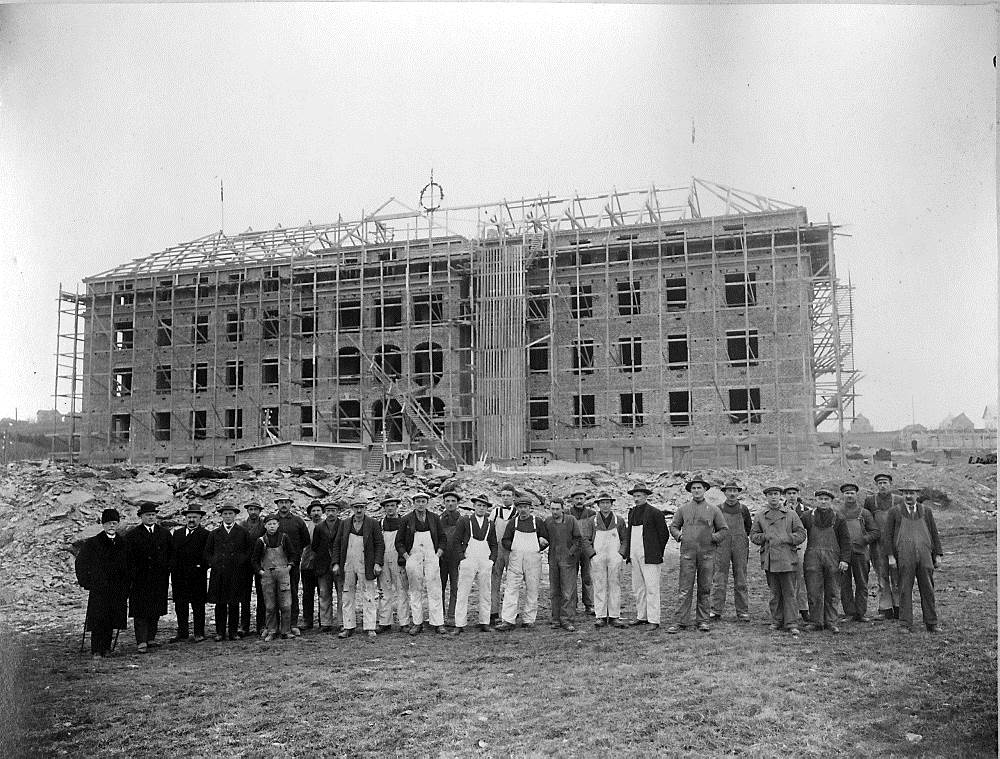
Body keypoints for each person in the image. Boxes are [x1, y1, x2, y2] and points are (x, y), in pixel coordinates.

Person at [667, 475, 728, 634]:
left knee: (705, 588)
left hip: (707, 554)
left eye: (699, 488)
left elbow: (723, 530)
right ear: (690, 491)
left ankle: (703, 620)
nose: (696, 491)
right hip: (687, 554)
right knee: (685, 588)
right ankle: (681, 621)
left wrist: (712, 538)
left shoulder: (714, 510)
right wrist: (680, 536)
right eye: (693, 488)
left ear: (705, 490)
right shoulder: (683, 509)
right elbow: (673, 526)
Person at [885, 481, 943, 633]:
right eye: (905, 493)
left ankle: (932, 622)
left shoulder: (926, 511)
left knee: (928, 589)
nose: (908, 496)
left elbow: (934, 533)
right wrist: (891, 556)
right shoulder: (894, 511)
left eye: (912, 493)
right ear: (902, 494)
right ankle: (905, 624)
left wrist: (937, 554)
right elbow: (887, 536)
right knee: (904, 589)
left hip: (925, 555)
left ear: (917, 494)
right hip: (904, 556)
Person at [750, 485, 807, 637]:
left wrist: (788, 538)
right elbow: (753, 535)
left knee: (789, 591)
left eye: (776, 494)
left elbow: (801, 534)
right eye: (770, 495)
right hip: (770, 559)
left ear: (780, 496)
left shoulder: (791, 514)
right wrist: (765, 537)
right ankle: (776, 620)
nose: (773, 497)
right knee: (774, 592)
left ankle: (791, 622)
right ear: (766, 497)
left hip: (788, 558)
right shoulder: (761, 515)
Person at [75, 508, 129, 658]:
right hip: (100, 588)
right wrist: (87, 582)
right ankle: (96, 649)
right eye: (108, 523)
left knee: (112, 618)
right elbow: (81, 563)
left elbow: (130, 564)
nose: (112, 526)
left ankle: (106, 648)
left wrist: (127, 583)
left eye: (114, 523)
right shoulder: (93, 542)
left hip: (117, 588)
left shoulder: (123, 542)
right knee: (99, 618)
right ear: (103, 524)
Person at [396, 491, 448, 635]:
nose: (420, 504)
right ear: (414, 503)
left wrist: (438, 554)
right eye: (418, 501)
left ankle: (438, 623)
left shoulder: (434, 518)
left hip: (432, 555)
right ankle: (417, 623)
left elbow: (443, 538)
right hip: (414, 556)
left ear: (427, 503)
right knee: (415, 589)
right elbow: (399, 542)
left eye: (423, 501)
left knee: (435, 588)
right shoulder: (406, 519)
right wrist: (407, 557)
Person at [332, 500, 385, 640]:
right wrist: (336, 563)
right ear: (352, 508)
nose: (359, 511)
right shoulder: (345, 524)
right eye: (356, 508)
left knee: (368, 594)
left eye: (361, 508)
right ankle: (348, 626)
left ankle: (370, 627)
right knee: (347, 595)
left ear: (365, 508)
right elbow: (337, 544)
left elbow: (380, 544)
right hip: (348, 563)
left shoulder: (372, 523)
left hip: (365, 563)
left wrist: (378, 563)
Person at [125, 502, 174, 653]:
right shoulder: (132, 535)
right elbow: (128, 559)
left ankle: (151, 638)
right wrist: (132, 575)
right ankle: (141, 641)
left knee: (155, 609)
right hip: (140, 579)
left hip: (159, 578)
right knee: (140, 611)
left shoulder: (164, 533)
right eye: (147, 515)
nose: (151, 517)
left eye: (153, 515)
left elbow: (171, 554)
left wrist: (167, 569)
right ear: (141, 517)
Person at [495, 496, 550, 631]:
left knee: (532, 588)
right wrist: (514, 546)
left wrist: (539, 546)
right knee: (511, 588)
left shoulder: (537, 522)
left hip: (533, 560)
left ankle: (529, 619)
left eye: (525, 507)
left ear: (530, 508)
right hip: (516, 559)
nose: (523, 510)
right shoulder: (512, 523)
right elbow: (505, 540)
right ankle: (508, 620)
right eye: (520, 507)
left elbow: (546, 539)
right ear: (517, 508)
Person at [800, 489, 851, 633]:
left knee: (833, 591)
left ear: (831, 501)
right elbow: (797, 531)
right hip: (812, 558)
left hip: (833, 559)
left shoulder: (838, 518)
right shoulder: (807, 516)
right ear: (816, 500)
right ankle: (816, 621)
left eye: (826, 499)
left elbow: (846, 541)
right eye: (820, 499)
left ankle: (831, 621)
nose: (823, 502)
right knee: (813, 590)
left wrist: (845, 560)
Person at [622, 481, 670, 630]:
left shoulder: (655, 513)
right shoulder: (632, 512)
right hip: (635, 555)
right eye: (635, 496)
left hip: (650, 556)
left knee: (652, 587)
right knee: (638, 588)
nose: (636, 499)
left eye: (639, 496)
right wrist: (629, 554)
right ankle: (641, 616)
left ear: (646, 496)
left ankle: (654, 619)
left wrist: (656, 552)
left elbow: (664, 534)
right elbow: (630, 534)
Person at [451, 492, 498, 634]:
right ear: (474, 506)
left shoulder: (490, 523)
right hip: (468, 558)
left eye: (484, 506)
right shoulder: (465, 521)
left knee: (485, 591)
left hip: (484, 559)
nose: (481, 508)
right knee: (463, 591)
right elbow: (456, 541)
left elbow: (494, 544)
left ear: (487, 508)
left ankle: (484, 622)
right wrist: (461, 558)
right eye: (479, 505)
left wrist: (492, 560)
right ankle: (459, 624)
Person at [205, 503, 252, 642]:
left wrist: (240, 561)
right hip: (219, 573)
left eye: (230, 514)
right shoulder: (214, 533)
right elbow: (207, 552)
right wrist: (215, 562)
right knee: (220, 604)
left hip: (236, 573)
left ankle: (233, 632)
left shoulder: (242, 532)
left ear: (235, 515)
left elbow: (249, 551)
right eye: (225, 514)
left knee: (234, 603)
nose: (228, 516)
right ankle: (220, 632)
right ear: (221, 516)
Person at [709, 480, 753, 623]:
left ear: (738, 492)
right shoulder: (718, 509)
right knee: (719, 577)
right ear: (725, 492)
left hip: (740, 545)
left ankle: (742, 611)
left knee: (741, 578)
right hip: (722, 545)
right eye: (729, 490)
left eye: (735, 491)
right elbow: (713, 529)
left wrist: (740, 540)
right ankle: (715, 610)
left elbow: (748, 528)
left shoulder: (744, 509)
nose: (732, 493)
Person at [837, 482, 880, 622]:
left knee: (862, 583)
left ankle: (861, 613)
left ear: (856, 495)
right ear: (843, 495)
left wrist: (863, 539)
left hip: (861, 554)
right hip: (843, 555)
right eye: (847, 493)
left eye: (852, 493)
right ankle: (849, 612)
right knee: (845, 584)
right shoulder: (837, 513)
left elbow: (875, 532)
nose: (849, 495)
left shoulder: (864, 513)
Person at [251, 513, 297, 641]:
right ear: (265, 526)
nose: (272, 526)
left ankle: (286, 631)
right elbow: (254, 560)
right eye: (269, 524)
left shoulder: (284, 538)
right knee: (270, 605)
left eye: (274, 524)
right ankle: (272, 630)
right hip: (267, 576)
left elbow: (293, 555)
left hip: (283, 574)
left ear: (278, 525)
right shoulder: (261, 541)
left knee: (286, 604)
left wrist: (289, 567)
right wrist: (261, 572)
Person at [544, 497, 587, 632]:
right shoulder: (548, 522)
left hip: (568, 561)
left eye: (557, 509)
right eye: (552, 509)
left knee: (568, 592)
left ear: (563, 509)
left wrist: (571, 553)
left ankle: (567, 619)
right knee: (554, 591)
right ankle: (556, 618)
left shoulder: (571, 520)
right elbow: (544, 538)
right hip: (553, 560)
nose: (555, 512)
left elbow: (578, 539)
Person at [865, 473, 904, 621]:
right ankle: (885, 608)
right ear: (876, 485)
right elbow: (867, 523)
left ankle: (899, 607)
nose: (882, 485)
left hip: (896, 545)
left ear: (891, 484)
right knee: (882, 577)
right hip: (877, 546)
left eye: (885, 482)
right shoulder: (870, 501)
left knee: (897, 577)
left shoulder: (899, 500)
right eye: (879, 483)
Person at [168, 505, 209, 643]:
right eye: (189, 517)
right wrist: (174, 569)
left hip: (197, 575)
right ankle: (183, 632)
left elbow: (207, 555)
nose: (191, 520)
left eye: (194, 517)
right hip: (180, 575)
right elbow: (173, 554)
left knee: (198, 605)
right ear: (185, 518)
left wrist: (201, 566)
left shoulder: (205, 534)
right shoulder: (178, 534)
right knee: (181, 605)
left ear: (200, 518)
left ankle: (199, 632)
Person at [588, 493, 627, 629]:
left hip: (614, 556)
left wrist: (621, 554)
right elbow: (585, 540)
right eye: (602, 503)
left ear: (611, 504)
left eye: (608, 503)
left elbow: (625, 539)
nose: (605, 505)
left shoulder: (619, 521)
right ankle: (601, 616)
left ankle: (615, 616)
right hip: (598, 557)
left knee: (614, 584)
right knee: (599, 584)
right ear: (598, 505)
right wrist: (592, 554)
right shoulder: (592, 521)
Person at [273, 494, 310, 636]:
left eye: (286, 502)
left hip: (293, 563)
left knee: (292, 592)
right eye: (281, 502)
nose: (283, 505)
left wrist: (296, 553)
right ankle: (275, 625)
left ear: (290, 504)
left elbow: (306, 540)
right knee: (275, 593)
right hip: (275, 563)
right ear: (277, 504)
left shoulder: (297, 521)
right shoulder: (271, 520)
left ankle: (292, 623)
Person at [376, 497, 410, 633]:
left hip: (399, 558)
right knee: (384, 590)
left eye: (392, 505)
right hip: (384, 558)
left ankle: (404, 622)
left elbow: (407, 541)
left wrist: (404, 558)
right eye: (387, 506)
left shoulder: (404, 522)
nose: (390, 508)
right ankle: (385, 622)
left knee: (402, 589)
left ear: (397, 507)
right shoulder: (380, 523)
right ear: (384, 508)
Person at [310, 501, 340, 633]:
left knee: (341, 594)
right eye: (328, 510)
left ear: (337, 512)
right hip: (323, 565)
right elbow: (315, 546)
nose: (331, 513)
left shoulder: (343, 525)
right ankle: (326, 622)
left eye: (333, 510)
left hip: (339, 565)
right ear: (325, 512)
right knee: (324, 594)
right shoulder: (320, 527)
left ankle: (343, 622)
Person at [489, 483, 517, 624]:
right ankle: (493, 612)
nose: (505, 498)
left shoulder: (518, 512)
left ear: (513, 497)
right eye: (503, 495)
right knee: (495, 580)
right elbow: (489, 529)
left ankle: (511, 611)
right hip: (498, 549)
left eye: (508, 496)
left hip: (512, 549)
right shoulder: (496, 512)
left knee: (512, 581)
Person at [783, 484, 811, 623]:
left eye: (794, 493)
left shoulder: (806, 511)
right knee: (787, 578)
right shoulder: (780, 510)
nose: (792, 496)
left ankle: (804, 608)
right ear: (785, 495)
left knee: (802, 577)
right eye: (789, 493)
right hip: (784, 547)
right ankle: (788, 610)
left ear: (798, 494)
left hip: (801, 546)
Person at [239, 501, 266, 636]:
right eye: (251, 509)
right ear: (247, 511)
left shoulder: (264, 525)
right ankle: (244, 626)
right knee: (245, 596)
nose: (253, 512)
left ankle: (261, 625)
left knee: (262, 595)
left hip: (260, 563)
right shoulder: (242, 525)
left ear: (260, 511)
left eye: (256, 509)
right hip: (245, 565)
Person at [567, 489, 595, 616]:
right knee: (571, 578)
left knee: (588, 577)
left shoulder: (591, 514)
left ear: (585, 500)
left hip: (587, 548)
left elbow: (595, 532)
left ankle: (589, 604)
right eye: (576, 499)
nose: (579, 501)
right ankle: (572, 605)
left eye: (581, 499)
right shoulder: (567, 513)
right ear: (572, 500)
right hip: (572, 549)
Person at [439, 491, 464, 625]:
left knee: (455, 586)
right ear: (444, 503)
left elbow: (465, 539)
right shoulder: (439, 519)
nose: (450, 503)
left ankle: (452, 615)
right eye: (447, 501)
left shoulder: (462, 519)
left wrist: (461, 556)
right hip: (442, 558)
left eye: (453, 501)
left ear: (457, 503)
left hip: (456, 558)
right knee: (440, 586)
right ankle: (440, 615)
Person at [300, 500, 325, 631]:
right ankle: (307, 621)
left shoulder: (326, 525)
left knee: (323, 593)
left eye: (318, 510)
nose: (316, 513)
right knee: (307, 595)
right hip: (307, 565)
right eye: (313, 511)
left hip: (322, 565)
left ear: (322, 512)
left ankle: (324, 621)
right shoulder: (306, 526)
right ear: (309, 513)